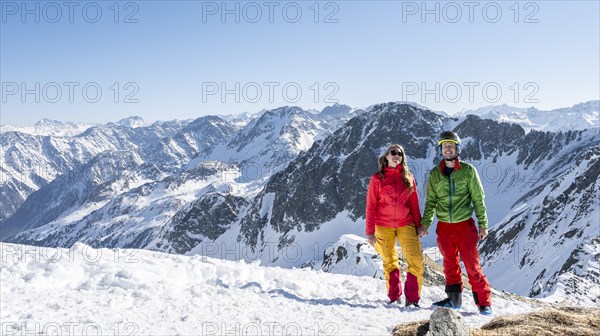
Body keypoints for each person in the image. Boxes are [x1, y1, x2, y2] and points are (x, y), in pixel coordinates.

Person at [417, 131, 493, 315]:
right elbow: (431, 202)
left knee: (472, 264)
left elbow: (478, 199)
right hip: (444, 226)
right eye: (444, 146)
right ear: (440, 150)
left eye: (451, 145)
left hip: (464, 225)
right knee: (449, 264)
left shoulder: (468, 171)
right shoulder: (435, 174)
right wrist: (426, 223)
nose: (448, 149)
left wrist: (483, 224)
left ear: (457, 148)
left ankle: (484, 303)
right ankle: (454, 300)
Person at [366, 144, 424, 307]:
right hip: (382, 225)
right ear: (386, 156)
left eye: (400, 153)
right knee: (389, 261)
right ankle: (394, 297)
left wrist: (419, 226)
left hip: (406, 224)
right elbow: (371, 205)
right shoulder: (377, 178)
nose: (397, 155)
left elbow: (414, 204)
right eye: (393, 152)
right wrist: (370, 232)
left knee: (415, 260)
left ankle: (412, 299)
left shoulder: (408, 177)